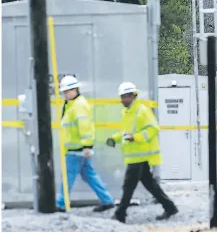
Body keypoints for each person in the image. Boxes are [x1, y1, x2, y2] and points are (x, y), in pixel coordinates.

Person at [106, 82, 178, 223]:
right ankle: (170, 207)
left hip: (140, 155)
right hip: (136, 155)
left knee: (128, 186)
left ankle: (120, 214)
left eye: (124, 97)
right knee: (149, 184)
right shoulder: (127, 112)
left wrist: (136, 138)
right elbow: (126, 132)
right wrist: (114, 139)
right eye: (121, 97)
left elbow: (153, 129)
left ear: (132, 96)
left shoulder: (142, 111)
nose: (122, 101)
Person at [55, 76, 115, 213]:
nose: (66, 94)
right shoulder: (73, 105)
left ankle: (61, 204)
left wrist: (87, 146)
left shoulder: (78, 105)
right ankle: (107, 200)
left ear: (75, 89)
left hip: (76, 150)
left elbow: (85, 127)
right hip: (79, 149)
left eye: (68, 91)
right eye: (64, 92)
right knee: (89, 175)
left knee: (67, 177)